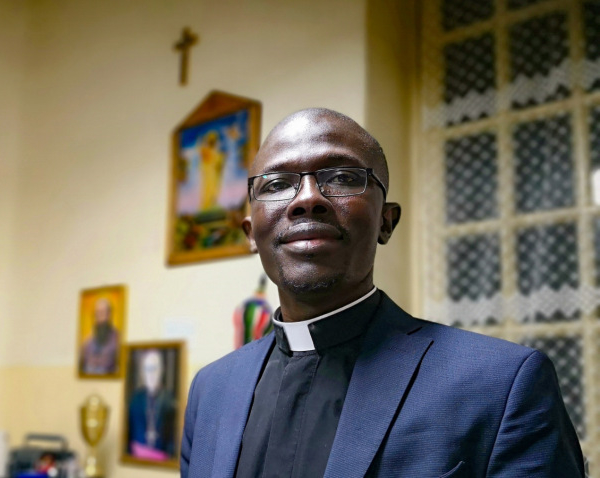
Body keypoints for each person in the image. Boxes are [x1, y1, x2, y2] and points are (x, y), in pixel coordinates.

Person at [180, 108, 584, 477]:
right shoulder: (211, 390)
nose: (307, 199)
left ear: (386, 222)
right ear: (251, 234)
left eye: (342, 177)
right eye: (277, 183)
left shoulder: (502, 384)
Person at [128, 349, 177, 461]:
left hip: (163, 458)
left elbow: (173, 437)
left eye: (154, 368)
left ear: (162, 370)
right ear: (142, 372)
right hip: (136, 459)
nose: (151, 374)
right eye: (147, 369)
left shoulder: (169, 399)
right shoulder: (136, 399)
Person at [80, 297, 119, 375]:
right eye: (96, 313)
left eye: (102, 312)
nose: (99, 317)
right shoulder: (88, 341)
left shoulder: (117, 339)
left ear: (109, 314)